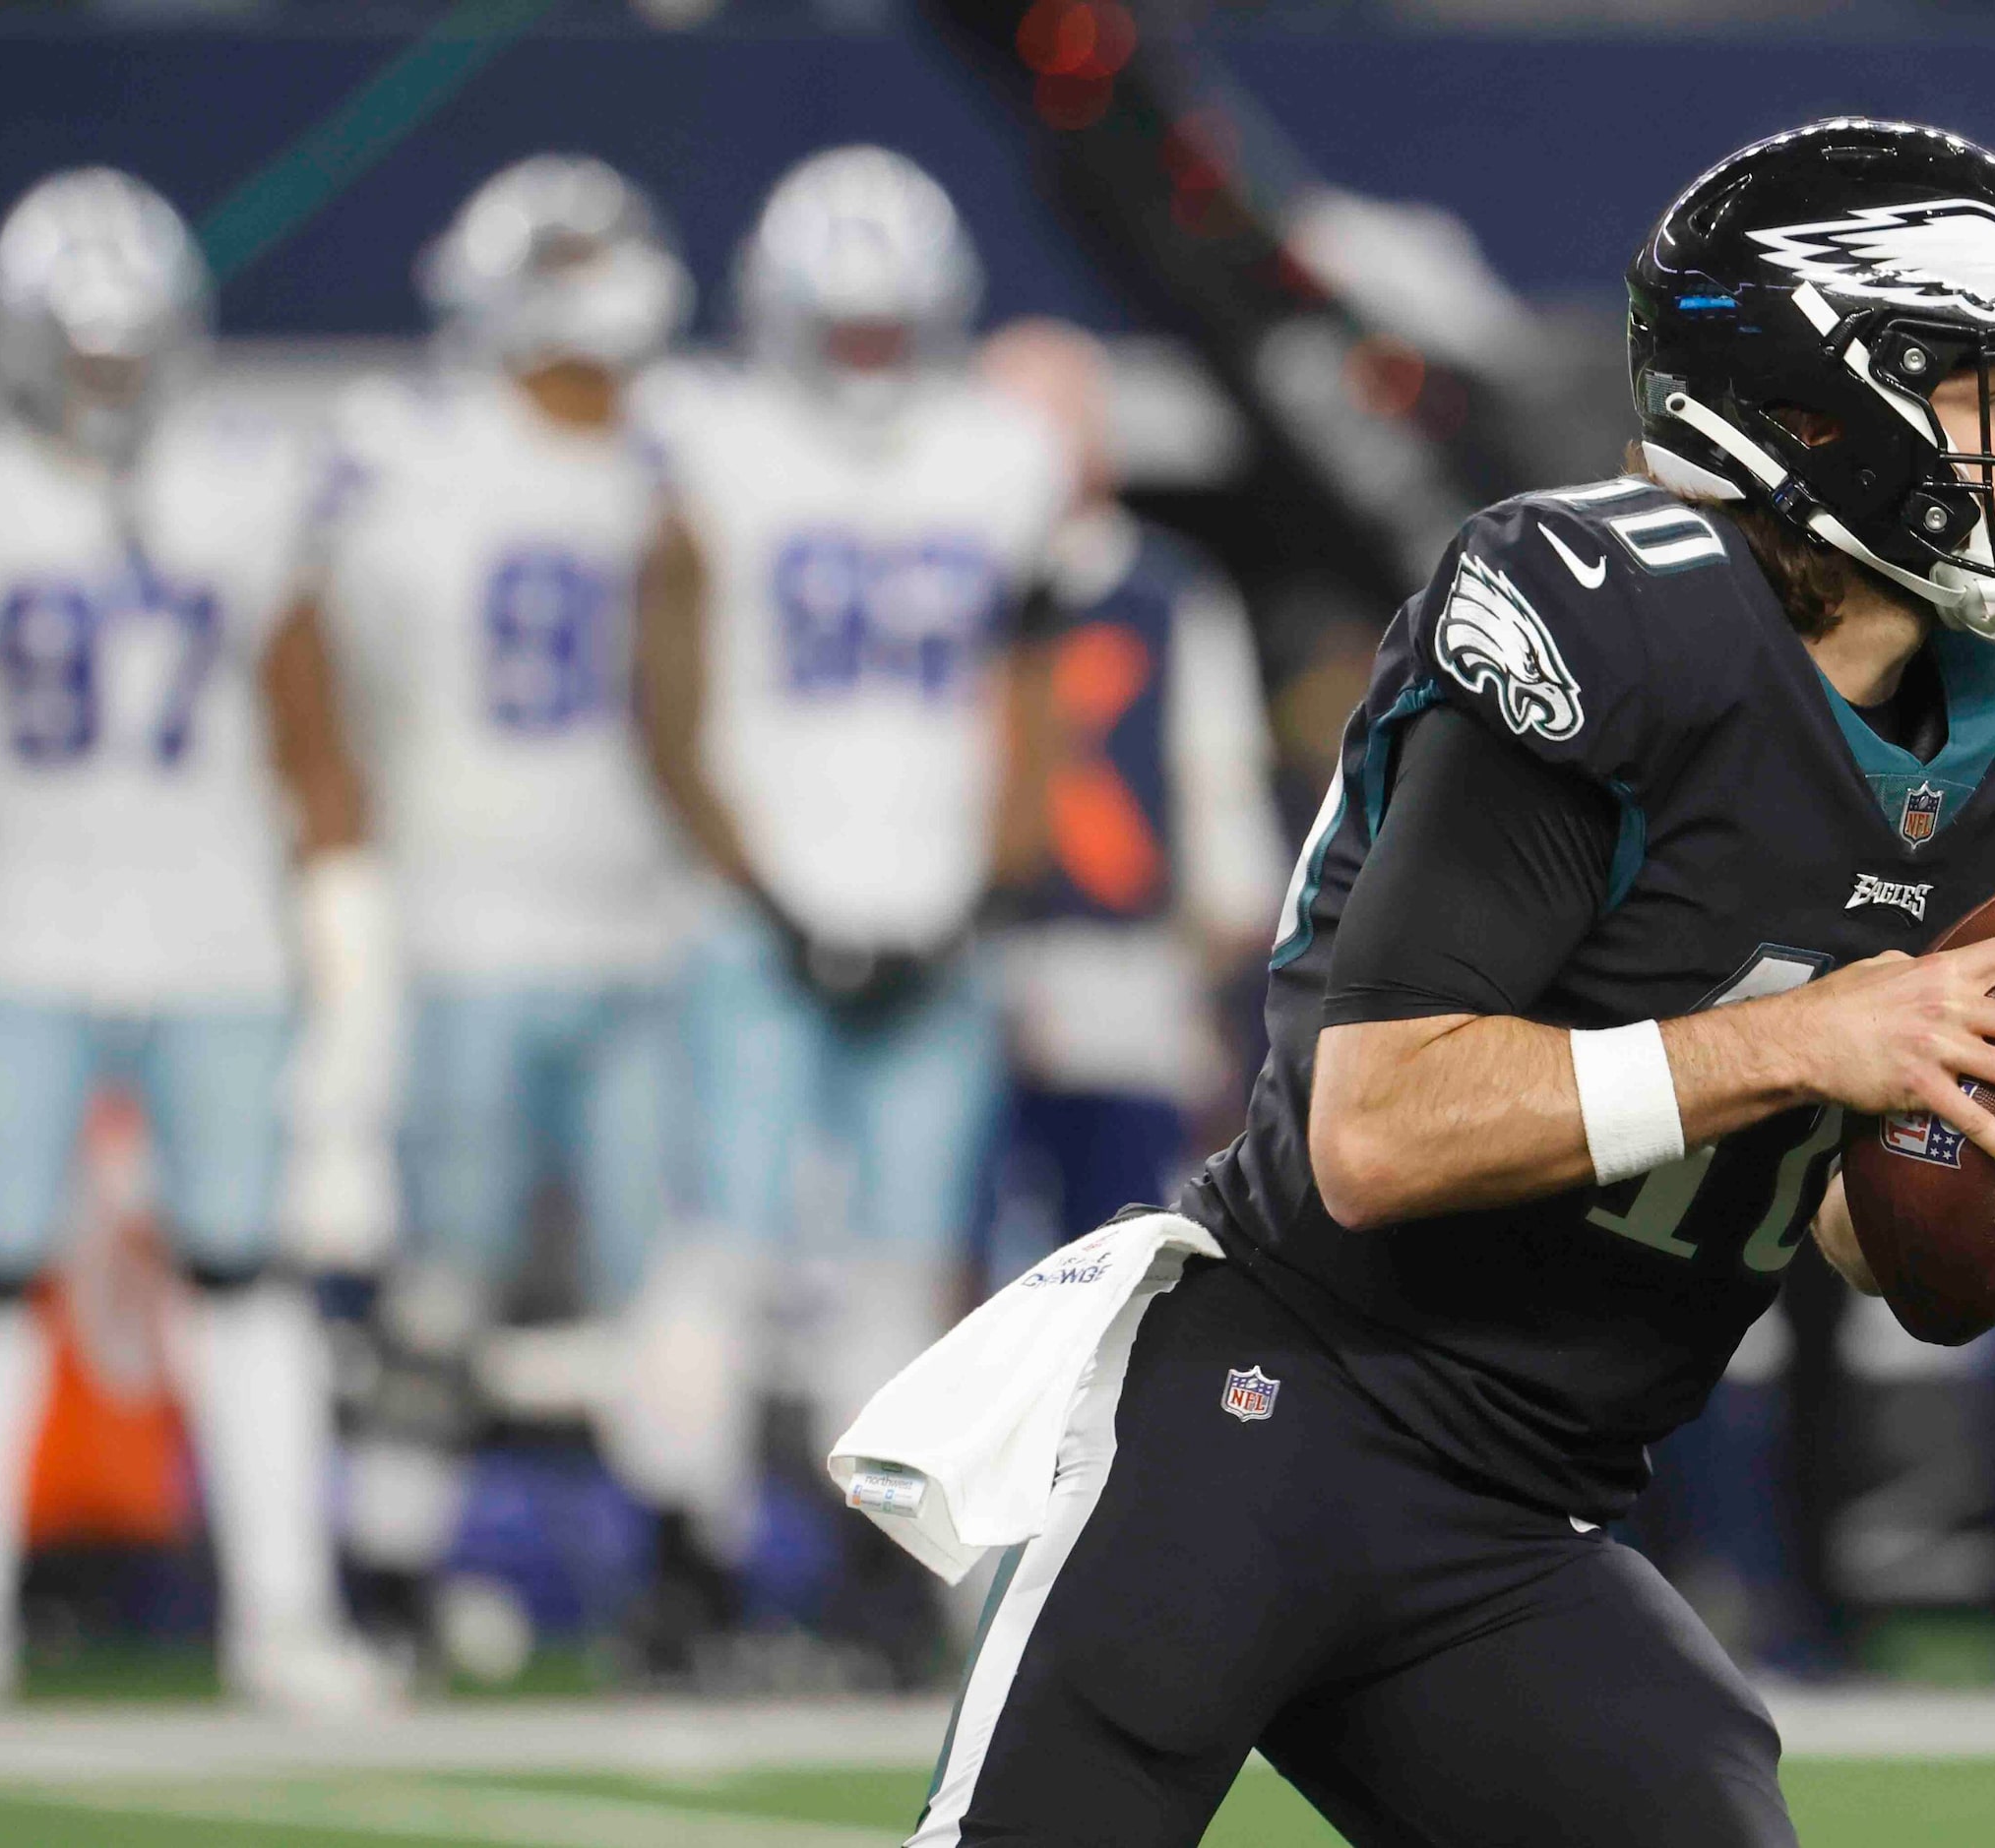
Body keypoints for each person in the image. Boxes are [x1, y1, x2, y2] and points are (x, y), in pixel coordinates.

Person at [894, 118, 1995, 1846]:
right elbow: (1379, 1128)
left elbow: (1823, 1220)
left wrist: (1970, 1136)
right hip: (1269, 1416)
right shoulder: (1616, 627)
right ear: (1807, 407)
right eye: (1994, 398)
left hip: (1526, 1514)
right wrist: (1818, 1030)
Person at [0, 168, 393, 1719]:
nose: (106, 386)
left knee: (246, 1273)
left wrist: (356, 984)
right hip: (9, 922)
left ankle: (283, 1613)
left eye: (128, 354)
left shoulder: (247, 483)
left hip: (217, 930)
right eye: (80, 356)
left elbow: (310, 739)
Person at [305, 155, 731, 1676]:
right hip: (489, 925)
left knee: (648, 1271)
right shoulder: (648, 454)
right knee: (460, 1277)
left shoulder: (437, 451)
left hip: (600, 922)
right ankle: (402, 1573)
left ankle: (663, 1570)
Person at [635, 147, 1070, 1514]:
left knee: (903, 1262)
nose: (869, 352)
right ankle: (687, 1563)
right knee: (725, 1250)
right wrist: (762, 893)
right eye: (846, 326)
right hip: (758, 904)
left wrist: (986, 887)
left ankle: (871, 1570)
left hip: (932, 902)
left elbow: (1036, 698)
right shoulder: (711, 435)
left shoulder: (1007, 452)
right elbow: (665, 694)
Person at [975, 318, 1286, 1283]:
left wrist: (1222, 938)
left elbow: (1214, 769)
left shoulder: (1163, 590)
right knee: (963, 1236)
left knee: (1114, 1237)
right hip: (961, 960)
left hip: (1123, 961)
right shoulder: (944, 574)